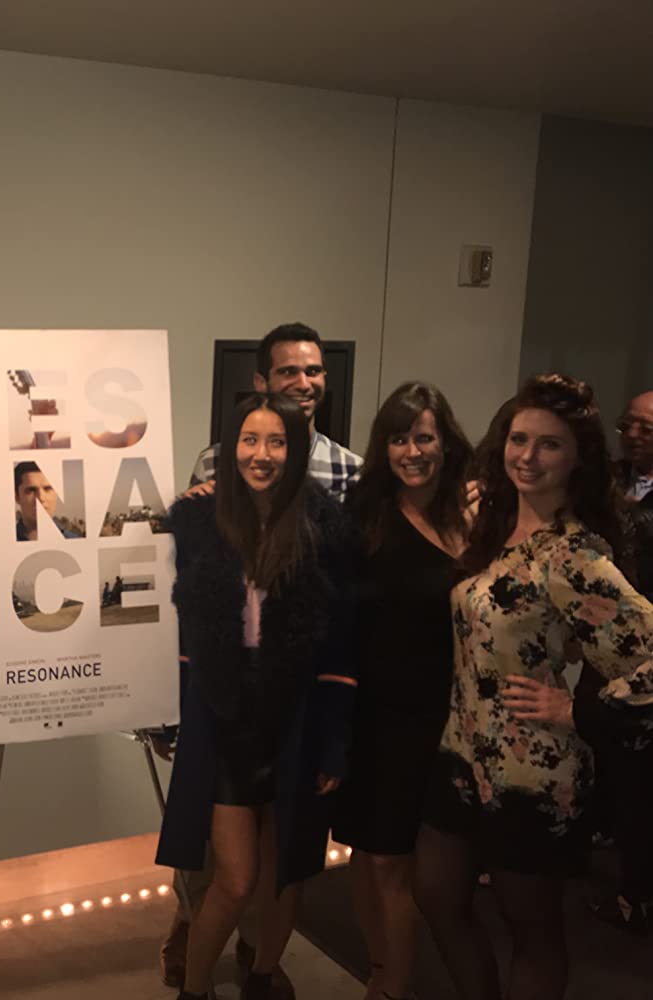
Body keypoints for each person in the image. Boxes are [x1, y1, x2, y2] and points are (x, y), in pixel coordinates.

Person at [414, 374, 653, 1000]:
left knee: (533, 931)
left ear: (578, 458)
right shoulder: (493, 529)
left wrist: (581, 710)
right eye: (519, 439)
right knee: (435, 895)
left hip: (534, 772)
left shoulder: (574, 556)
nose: (528, 455)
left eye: (549, 444)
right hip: (462, 754)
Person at [161, 322, 362, 992]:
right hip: (226, 719)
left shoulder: (327, 527)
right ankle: (194, 988)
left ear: (296, 449)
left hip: (296, 718)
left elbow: (340, 641)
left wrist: (333, 740)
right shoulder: (199, 521)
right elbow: (182, 628)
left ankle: (264, 979)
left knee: (285, 876)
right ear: (231, 448)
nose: (262, 453)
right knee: (234, 878)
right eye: (250, 440)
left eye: (277, 442)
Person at [333, 382, 472, 1000]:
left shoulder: (474, 516)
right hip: (376, 716)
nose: (412, 451)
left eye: (423, 437)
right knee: (378, 855)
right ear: (382, 447)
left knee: (407, 861)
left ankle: (387, 977)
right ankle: (390, 981)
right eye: (398, 439)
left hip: (451, 716)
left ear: (445, 442)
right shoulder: (362, 518)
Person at [584, 388, 653, 935]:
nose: (632, 436)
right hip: (600, 644)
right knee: (598, 746)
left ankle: (639, 893)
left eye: (645, 429)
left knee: (640, 777)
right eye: (626, 425)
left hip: (648, 651)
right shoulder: (608, 484)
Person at [187, 322, 363, 498]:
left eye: (313, 371)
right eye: (288, 372)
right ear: (260, 383)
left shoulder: (348, 469)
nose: (304, 384)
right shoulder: (213, 462)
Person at [14, 461, 78, 540]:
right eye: (31, 490)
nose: (41, 498)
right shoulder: (4, 542)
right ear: (17, 496)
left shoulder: (75, 541)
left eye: (48, 489)